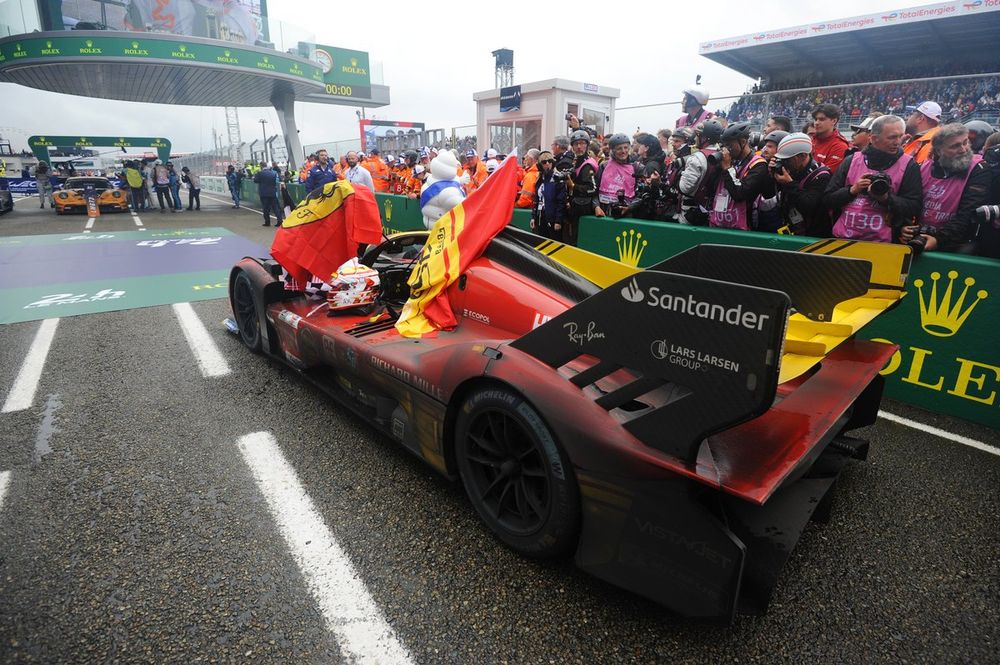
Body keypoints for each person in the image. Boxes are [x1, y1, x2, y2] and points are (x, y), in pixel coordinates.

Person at [824, 115, 922, 243]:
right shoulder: (852, 161)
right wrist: (852, 190)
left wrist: (886, 199)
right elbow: (827, 199)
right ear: (874, 138)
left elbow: (914, 206)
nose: (898, 142)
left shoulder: (909, 165)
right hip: (843, 239)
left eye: (900, 136)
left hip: (885, 244)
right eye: (892, 137)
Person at [900, 123, 991, 254]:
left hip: (956, 245)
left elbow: (968, 213)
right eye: (955, 146)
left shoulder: (979, 169)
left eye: (965, 142)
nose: (963, 149)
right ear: (938, 150)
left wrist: (939, 239)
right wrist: (904, 227)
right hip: (920, 239)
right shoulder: (924, 168)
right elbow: (910, 202)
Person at [708, 121, 769, 230]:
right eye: (724, 145)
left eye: (729, 145)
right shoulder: (730, 160)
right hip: (718, 222)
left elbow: (740, 194)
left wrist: (727, 169)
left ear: (743, 141)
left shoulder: (759, 165)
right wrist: (718, 167)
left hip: (743, 227)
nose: (726, 149)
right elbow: (711, 188)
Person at [771, 133, 833, 237]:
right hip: (791, 226)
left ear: (803, 155)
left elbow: (808, 206)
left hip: (813, 235)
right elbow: (769, 194)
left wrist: (789, 184)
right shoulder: (793, 169)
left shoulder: (821, 176)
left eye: (788, 159)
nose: (785, 163)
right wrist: (773, 174)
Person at [677, 118, 725, 226]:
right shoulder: (722, 155)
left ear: (705, 138)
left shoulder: (697, 157)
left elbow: (685, 188)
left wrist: (678, 176)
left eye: (698, 135)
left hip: (690, 213)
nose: (696, 138)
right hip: (712, 211)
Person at [565, 129, 600, 244]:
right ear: (572, 147)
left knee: (579, 240)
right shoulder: (576, 162)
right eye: (576, 144)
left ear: (587, 145)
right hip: (575, 206)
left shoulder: (588, 165)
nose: (579, 147)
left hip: (584, 209)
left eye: (582, 143)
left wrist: (573, 186)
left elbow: (593, 189)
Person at [596, 134, 636, 216]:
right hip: (605, 210)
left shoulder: (636, 167)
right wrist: (596, 206)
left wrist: (630, 207)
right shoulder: (604, 166)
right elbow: (595, 188)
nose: (623, 151)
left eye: (625, 148)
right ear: (612, 150)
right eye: (619, 148)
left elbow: (640, 194)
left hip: (626, 211)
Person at [531, 151, 566, 241]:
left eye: (549, 161)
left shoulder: (558, 178)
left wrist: (558, 221)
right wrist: (533, 217)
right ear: (540, 165)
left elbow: (561, 202)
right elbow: (536, 199)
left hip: (553, 218)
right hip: (541, 217)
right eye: (544, 162)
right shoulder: (539, 178)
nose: (547, 164)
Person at [811, 104, 850, 173]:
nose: (816, 123)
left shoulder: (840, 146)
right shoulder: (811, 140)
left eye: (821, 119)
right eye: (815, 119)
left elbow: (826, 176)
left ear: (834, 121)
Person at [253, 161, 283, 227]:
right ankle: (280, 220)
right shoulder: (273, 173)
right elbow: (277, 180)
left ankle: (267, 222)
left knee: (266, 208)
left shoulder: (260, 173)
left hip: (263, 193)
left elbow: (255, 180)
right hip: (272, 192)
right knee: (276, 207)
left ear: (261, 166)